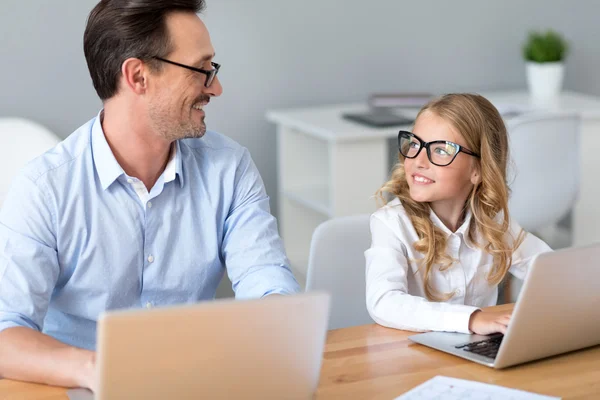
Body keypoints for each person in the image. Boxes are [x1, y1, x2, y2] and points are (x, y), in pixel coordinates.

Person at [0, 0, 299, 391]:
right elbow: (7, 334)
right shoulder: (45, 189)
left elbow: (267, 281)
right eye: (201, 70)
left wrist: (276, 324)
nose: (216, 87)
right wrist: (102, 371)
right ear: (138, 76)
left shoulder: (231, 168)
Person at [365, 93, 551, 336]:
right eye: (415, 144)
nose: (419, 160)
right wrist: (471, 319)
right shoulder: (391, 224)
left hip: (474, 352)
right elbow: (383, 303)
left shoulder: (492, 224)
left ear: (479, 169)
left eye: (441, 150)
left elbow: (548, 270)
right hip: (412, 358)